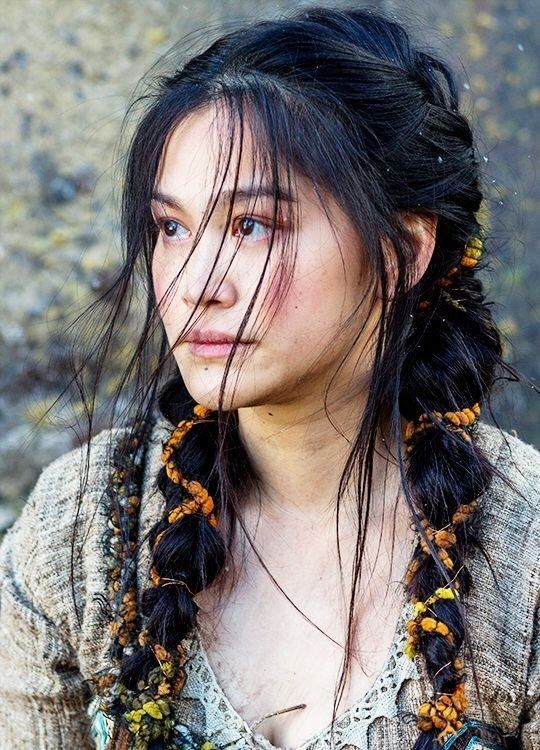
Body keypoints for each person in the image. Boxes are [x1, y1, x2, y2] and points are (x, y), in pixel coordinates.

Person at [0, 5, 538, 750]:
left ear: (402, 252)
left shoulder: (527, 560)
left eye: (251, 225)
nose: (193, 282)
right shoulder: (84, 532)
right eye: (171, 228)